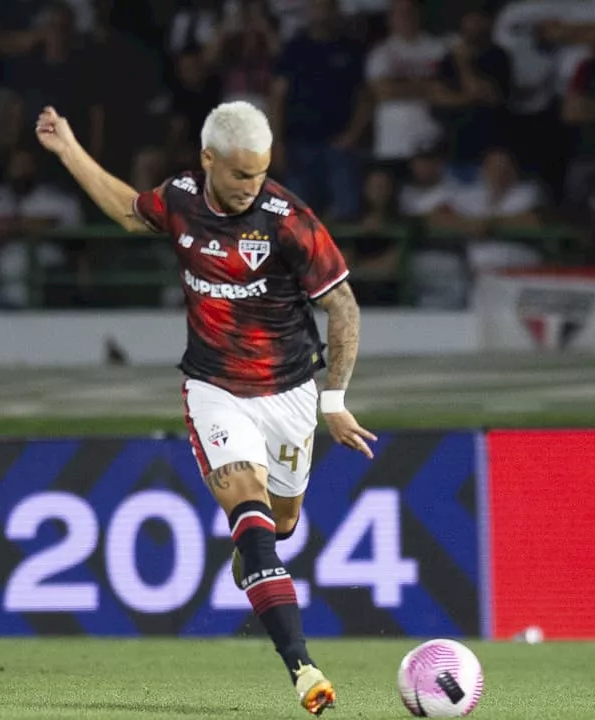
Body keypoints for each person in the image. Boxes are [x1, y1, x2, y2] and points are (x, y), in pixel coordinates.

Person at [35, 100, 375, 716]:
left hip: (291, 391)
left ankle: (256, 556)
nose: (253, 186)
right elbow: (126, 210)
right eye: (242, 174)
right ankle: (303, 667)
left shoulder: (287, 219)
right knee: (250, 514)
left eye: (261, 173)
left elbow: (344, 306)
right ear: (208, 159)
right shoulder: (181, 198)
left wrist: (334, 401)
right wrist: (68, 150)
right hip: (215, 389)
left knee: (283, 524)